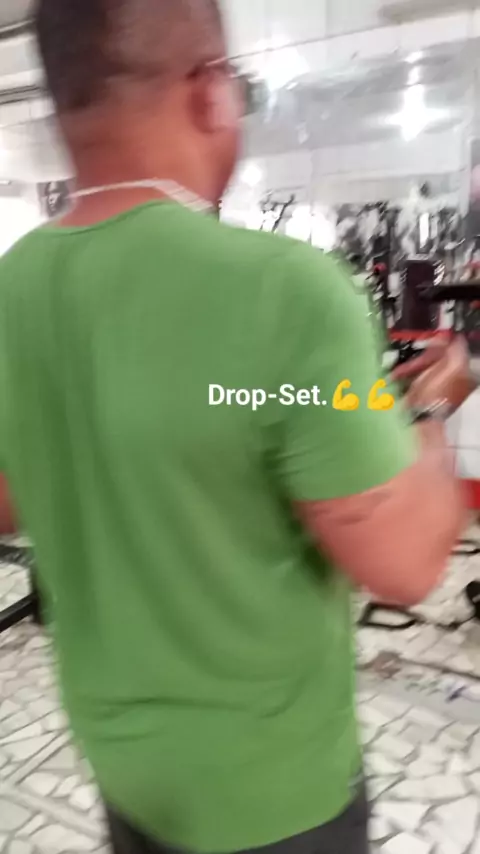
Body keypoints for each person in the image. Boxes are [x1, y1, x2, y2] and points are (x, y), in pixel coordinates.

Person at [0, 1, 472, 852]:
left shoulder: (14, 286)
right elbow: (404, 565)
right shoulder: (285, 289)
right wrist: (434, 409)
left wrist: (361, 408)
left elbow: (11, 502)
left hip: (123, 764)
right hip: (269, 792)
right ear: (211, 90)